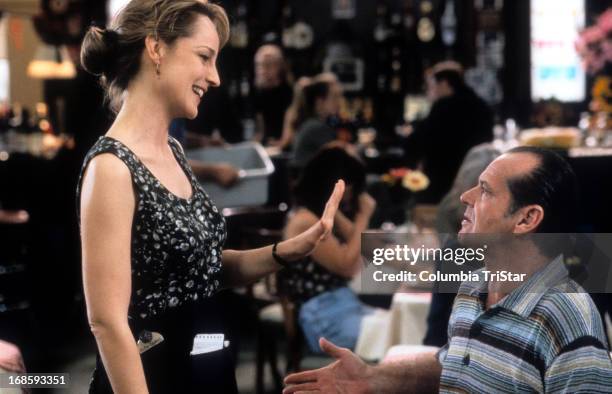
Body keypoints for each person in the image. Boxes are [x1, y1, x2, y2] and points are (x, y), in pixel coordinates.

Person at [77, 1, 345, 392]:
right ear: (156, 49)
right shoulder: (111, 167)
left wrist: (288, 250)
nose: (215, 77)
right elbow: (107, 321)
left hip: (207, 368)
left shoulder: (174, 152)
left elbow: (202, 270)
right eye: (204, 57)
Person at [284, 146, 612, 393]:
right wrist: (372, 377)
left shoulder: (569, 318)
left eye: (484, 190)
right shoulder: (473, 286)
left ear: (526, 219)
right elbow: (454, 363)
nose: (466, 196)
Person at [279, 147, 376, 353]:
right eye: (351, 186)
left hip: (344, 302)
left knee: (394, 330)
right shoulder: (305, 221)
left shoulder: (323, 214)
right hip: (321, 312)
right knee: (386, 338)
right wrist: (363, 217)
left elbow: (364, 244)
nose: (353, 194)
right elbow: (347, 265)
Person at [401, 61, 494, 203]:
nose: (432, 91)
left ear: (444, 83)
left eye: (433, 86)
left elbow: (419, 141)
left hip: (443, 181)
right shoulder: (481, 105)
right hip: (475, 178)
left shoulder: (443, 107)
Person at [291, 73, 344, 171]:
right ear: (320, 103)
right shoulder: (316, 128)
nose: (339, 103)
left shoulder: (312, 123)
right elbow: (342, 158)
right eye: (334, 97)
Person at [252, 44, 293, 146]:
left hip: (285, 144)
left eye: (267, 65)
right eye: (259, 65)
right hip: (267, 145)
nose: (262, 70)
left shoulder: (289, 92)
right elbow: (260, 130)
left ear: (278, 66)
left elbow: (291, 125)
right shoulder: (258, 93)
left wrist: (281, 144)